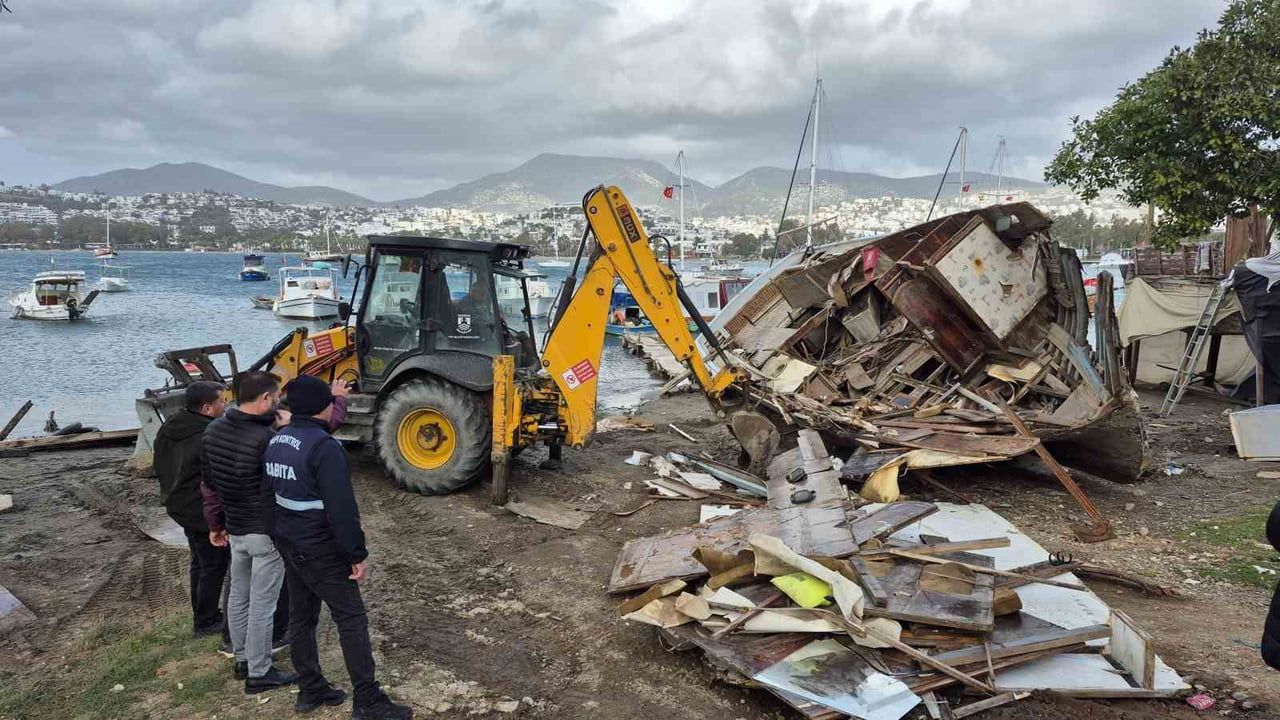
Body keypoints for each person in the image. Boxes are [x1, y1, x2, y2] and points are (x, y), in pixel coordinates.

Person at [267, 375, 412, 719]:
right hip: (320, 548)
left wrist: (279, 535)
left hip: (290, 541)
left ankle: (310, 687)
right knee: (351, 619)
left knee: (302, 618)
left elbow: (268, 493)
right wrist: (355, 554)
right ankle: (368, 700)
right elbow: (342, 510)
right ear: (325, 406)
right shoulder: (325, 447)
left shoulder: (278, 440)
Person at [202, 371, 298, 693]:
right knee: (262, 604)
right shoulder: (266, 440)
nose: (280, 401)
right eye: (277, 396)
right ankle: (260, 671)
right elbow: (281, 485)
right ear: (267, 399)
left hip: (236, 527)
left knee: (239, 596)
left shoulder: (213, 430)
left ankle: (242, 659)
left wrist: (216, 524)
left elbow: (210, 485)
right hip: (265, 532)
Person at [152, 380, 229, 639]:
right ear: (207, 408)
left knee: (200, 561)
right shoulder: (209, 434)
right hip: (200, 509)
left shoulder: (171, 426)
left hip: (179, 503)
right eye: (222, 400)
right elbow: (216, 476)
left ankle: (203, 612)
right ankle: (205, 621)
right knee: (213, 565)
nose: (226, 403)